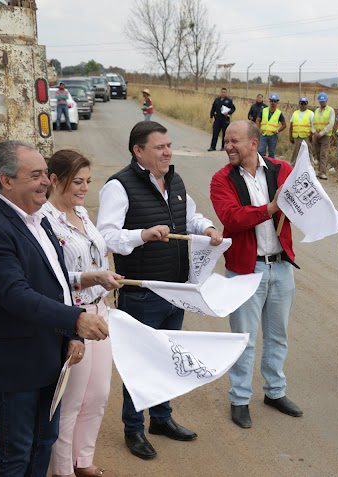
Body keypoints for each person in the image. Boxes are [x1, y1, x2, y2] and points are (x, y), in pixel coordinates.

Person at [0, 140, 108, 476]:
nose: (47, 181)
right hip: (16, 364)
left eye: (46, 174)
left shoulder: (37, 218)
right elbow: (16, 295)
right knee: (16, 451)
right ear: (7, 181)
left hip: (49, 356)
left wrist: (72, 334)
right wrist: (76, 319)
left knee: (44, 442)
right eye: (37, 175)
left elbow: (57, 283)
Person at [97, 120, 223, 460]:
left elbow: (190, 216)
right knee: (140, 363)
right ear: (139, 151)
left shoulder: (175, 180)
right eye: (160, 147)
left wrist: (208, 227)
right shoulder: (119, 187)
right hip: (141, 292)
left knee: (167, 360)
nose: (168, 152)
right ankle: (134, 429)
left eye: (169, 145)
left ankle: (162, 419)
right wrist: (141, 234)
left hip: (175, 291)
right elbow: (105, 235)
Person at [210, 120, 302, 429]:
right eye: (226, 141)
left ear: (254, 143)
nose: (229, 146)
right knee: (244, 339)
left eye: (234, 141)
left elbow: (300, 205)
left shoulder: (281, 170)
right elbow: (232, 219)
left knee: (278, 336)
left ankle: (275, 392)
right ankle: (239, 399)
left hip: (281, 266)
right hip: (245, 270)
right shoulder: (221, 179)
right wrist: (271, 208)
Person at [42, 150, 123, 477]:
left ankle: (83, 460)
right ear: (55, 180)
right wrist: (92, 278)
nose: (84, 188)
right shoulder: (45, 219)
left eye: (88, 181)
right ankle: (62, 470)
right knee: (71, 400)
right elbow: (50, 275)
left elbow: (97, 257)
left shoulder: (82, 213)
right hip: (72, 318)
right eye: (77, 181)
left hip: (100, 312)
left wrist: (105, 279)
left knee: (99, 393)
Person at [312, 92, 335, 180]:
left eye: (323, 101)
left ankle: (323, 172)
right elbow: (313, 122)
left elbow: (331, 123)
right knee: (317, 154)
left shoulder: (330, 110)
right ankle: (319, 171)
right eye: (320, 101)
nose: (322, 103)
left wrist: (321, 133)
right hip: (316, 135)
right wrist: (314, 132)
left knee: (323, 154)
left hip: (325, 136)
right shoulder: (317, 110)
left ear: (326, 101)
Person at [256, 93, 286, 158]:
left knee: (271, 153)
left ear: (277, 102)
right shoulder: (264, 110)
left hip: (273, 136)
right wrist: (259, 129)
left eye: (274, 101)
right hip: (263, 135)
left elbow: (284, 125)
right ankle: (261, 165)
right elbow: (258, 119)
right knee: (260, 151)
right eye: (271, 101)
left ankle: (270, 167)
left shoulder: (279, 113)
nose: (273, 103)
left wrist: (277, 131)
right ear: (269, 101)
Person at [288, 96, 314, 165]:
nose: (303, 105)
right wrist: (290, 136)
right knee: (295, 154)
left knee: (308, 153)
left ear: (307, 104)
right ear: (299, 104)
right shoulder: (295, 113)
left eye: (304, 103)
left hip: (306, 137)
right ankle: (292, 167)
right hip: (297, 137)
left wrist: (311, 136)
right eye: (301, 103)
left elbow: (313, 125)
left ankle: (310, 166)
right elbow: (291, 125)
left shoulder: (310, 113)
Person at [208, 87, 236, 151]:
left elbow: (233, 108)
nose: (223, 93)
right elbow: (213, 108)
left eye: (224, 92)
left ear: (226, 93)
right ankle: (212, 147)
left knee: (225, 134)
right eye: (222, 92)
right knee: (215, 133)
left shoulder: (229, 101)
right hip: (217, 119)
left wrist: (228, 112)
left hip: (225, 119)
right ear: (220, 92)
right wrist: (211, 117)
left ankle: (223, 147)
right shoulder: (217, 100)